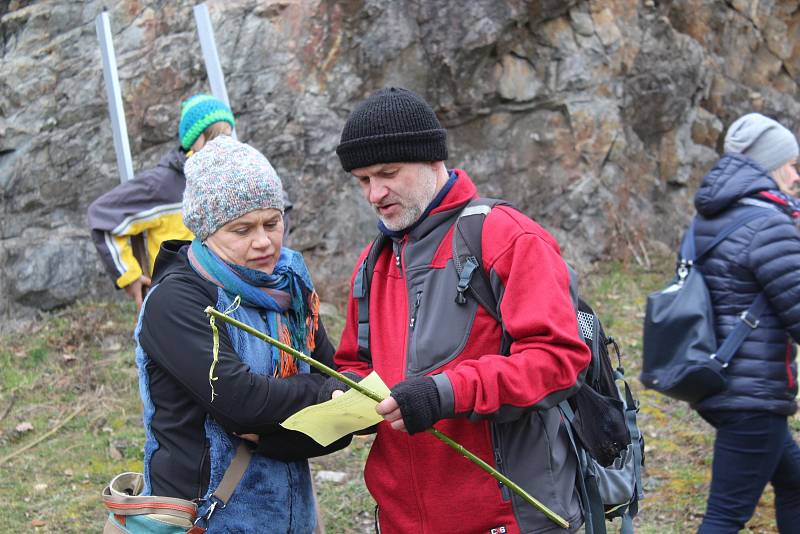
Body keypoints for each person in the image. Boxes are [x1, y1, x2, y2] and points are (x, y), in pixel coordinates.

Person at [326, 87, 592, 533]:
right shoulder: (371, 263)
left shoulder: (507, 238)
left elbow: (559, 360)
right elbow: (356, 361)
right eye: (362, 180)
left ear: (433, 159)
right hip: (400, 521)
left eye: (387, 173)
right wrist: (351, 392)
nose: (375, 193)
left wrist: (444, 393)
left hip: (507, 519)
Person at [132, 136, 348, 532]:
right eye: (242, 229)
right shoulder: (175, 301)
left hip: (291, 516)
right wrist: (322, 395)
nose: (264, 241)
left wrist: (275, 433)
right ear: (206, 230)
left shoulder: (291, 291)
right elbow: (240, 400)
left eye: (272, 222)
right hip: (205, 519)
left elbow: (340, 415)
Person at [691, 112, 800, 533]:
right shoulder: (768, 225)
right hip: (754, 397)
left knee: (794, 481)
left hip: (721, 382)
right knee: (724, 516)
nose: (795, 175)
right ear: (770, 165)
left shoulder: (716, 214)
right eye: (791, 165)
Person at [87, 94, 293, 309]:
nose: (221, 145)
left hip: (239, 300)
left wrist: (269, 260)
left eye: (227, 136)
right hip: (179, 302)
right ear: (191, 141)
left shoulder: (242, 176)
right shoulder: (161, 185)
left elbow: (281, 207)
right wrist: (129, 277)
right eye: (213, 137)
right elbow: (103, 217)